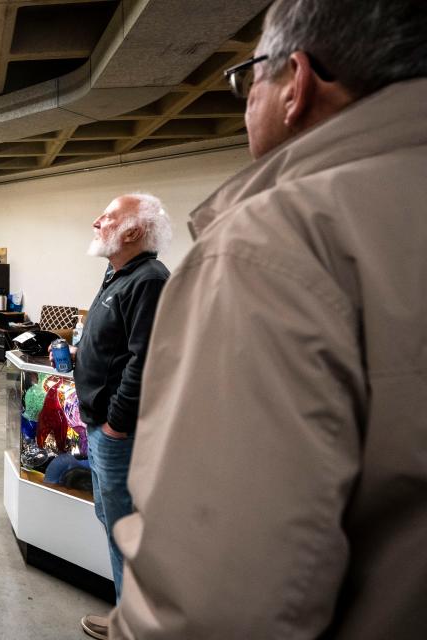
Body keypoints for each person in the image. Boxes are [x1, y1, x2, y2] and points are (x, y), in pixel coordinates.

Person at [99, 0, 427, 638]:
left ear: (295, 84)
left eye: (249, 79)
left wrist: (113, 424)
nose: (244, 101)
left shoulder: (270, 246)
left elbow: (213, 604)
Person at [67, 195, 171, 638]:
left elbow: (143, 361)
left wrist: (115, 424)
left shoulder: (148, 279)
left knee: (125, 530)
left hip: (118, 433)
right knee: (111, 523)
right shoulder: (118, 273)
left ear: (131, 232)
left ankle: (135, 626)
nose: (96, 221)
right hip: (102, 426)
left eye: (107, 217)